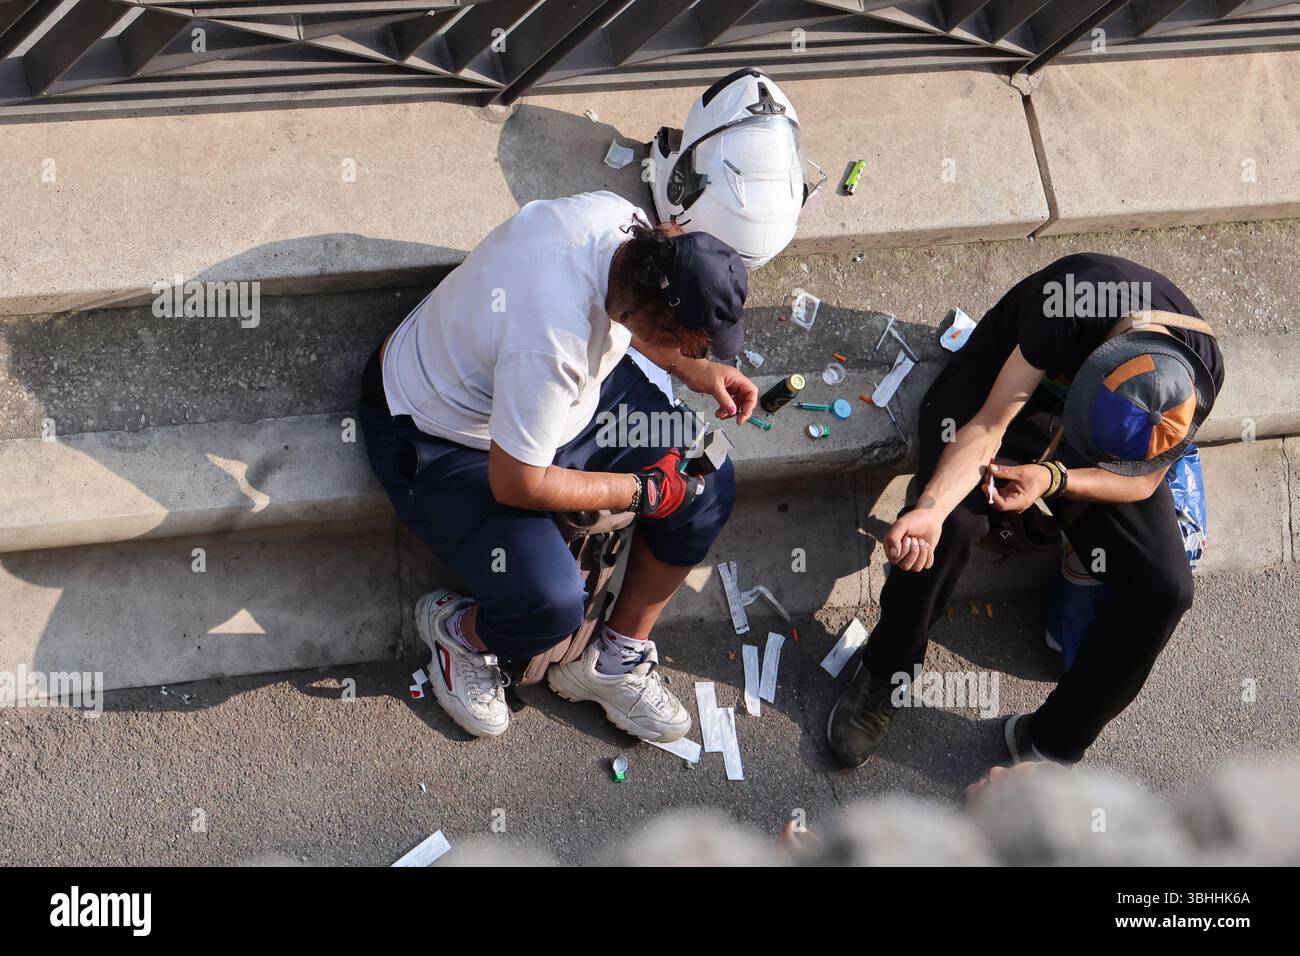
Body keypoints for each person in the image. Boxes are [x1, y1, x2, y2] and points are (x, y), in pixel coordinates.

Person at [360, 191, 757, 742]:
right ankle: (461, 634)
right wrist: (642, 491)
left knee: (705, 482)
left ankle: (612, 659)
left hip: (553, 399)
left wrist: (689, 366)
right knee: (551, 601)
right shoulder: (551, 342)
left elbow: (633, 321)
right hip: (439, 435)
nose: (692, 351)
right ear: (652, 318)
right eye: (685, 340)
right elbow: (518, 481)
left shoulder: (626, 232)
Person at [826, 253, 1224, 767]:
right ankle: (886, 670)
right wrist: (930, 506)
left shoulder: (1200, 373)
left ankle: (1053, 742)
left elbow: (1143, 479)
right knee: (950, 526)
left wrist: (1055, 477)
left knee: (1164, 588)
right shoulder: (1071, 304)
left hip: (1098, 445)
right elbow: (989, 424)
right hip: (1011, 397)